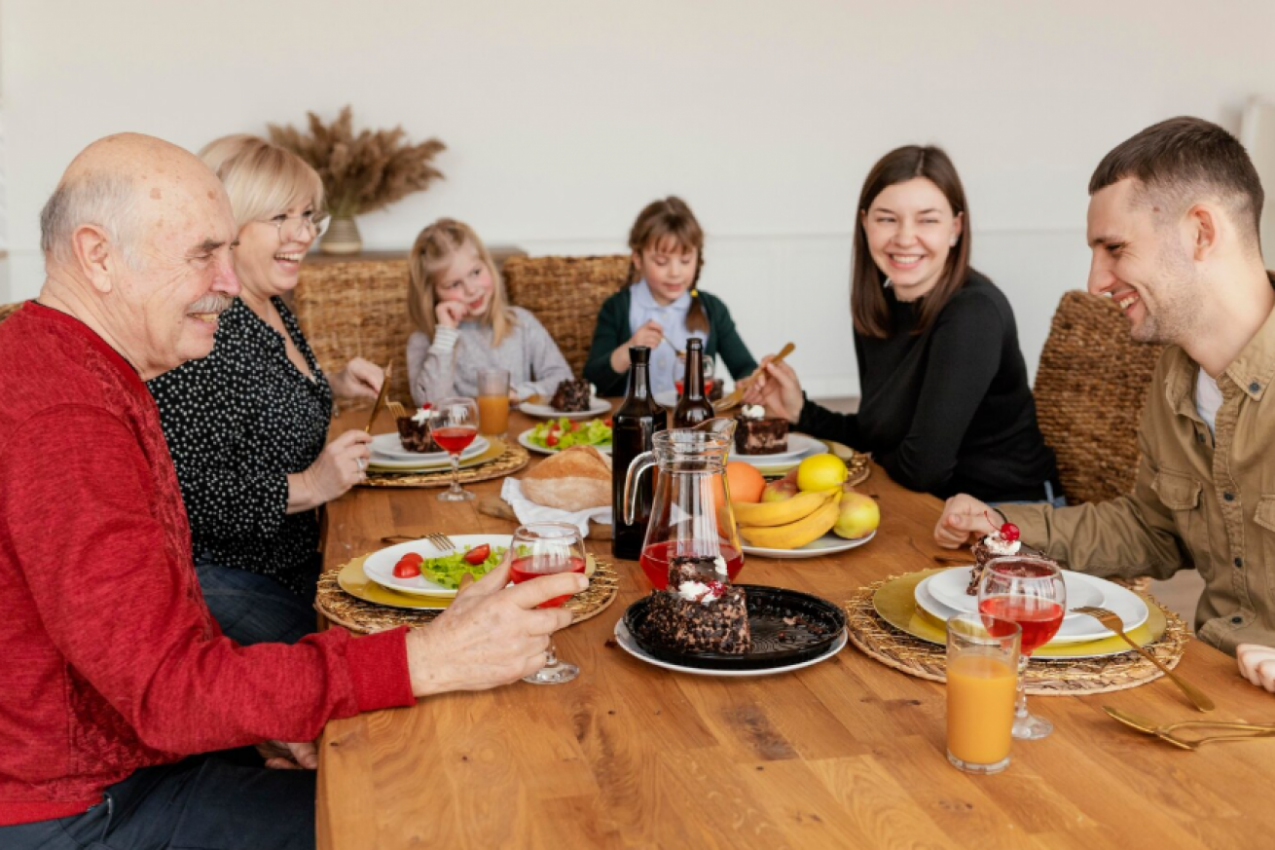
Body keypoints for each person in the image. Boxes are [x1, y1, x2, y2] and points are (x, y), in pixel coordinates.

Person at [0, 133, 584, 849]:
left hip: (136, 761)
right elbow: (167, 691)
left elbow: (144, 643)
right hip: (80, 808)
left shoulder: (72, 367)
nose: (225, 280)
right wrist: (425, 659)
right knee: (430, 818)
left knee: (403, 777)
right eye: (202, 255)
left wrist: (269, 714)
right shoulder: (65, 415)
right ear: (98, 257)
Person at [933, 116, 1275, 660]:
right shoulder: (1174, 375)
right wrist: (1007, 524)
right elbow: (1152, 528)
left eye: (1115, 248)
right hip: (1212, 679)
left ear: (1201, 232)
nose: (1096, 281)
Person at [147, 135, 381, 645]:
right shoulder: (209, 328)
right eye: (279, 217)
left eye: (307, 215)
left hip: (297, 556)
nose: (303, 233)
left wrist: (331, 387)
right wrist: (312, 486)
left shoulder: (269, 306)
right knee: (374, 648)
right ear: (228, 227)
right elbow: (179, 492)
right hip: (227, 578)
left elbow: (257, 411)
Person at [744, 146, 1060, 504]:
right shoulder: (879, 307)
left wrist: (870, 461)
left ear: (955, 228)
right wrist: (798, 410)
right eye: (887, 219)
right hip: (927, 504)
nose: (905, 237)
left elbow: (922, 467)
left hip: (1006, 512)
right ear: (865, 224)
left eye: (927, 219)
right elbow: (879, 433)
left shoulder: (974, 313)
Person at [584, 196, 758, 398]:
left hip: (693, 425)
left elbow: (745, 368)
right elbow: (593, 380)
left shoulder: (712, 309)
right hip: (634, 425)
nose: (675, 272)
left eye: (685, 261)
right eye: (661, 262)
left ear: (697, 258)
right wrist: (629, 350)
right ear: (638, 259)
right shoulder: (617, 308)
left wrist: (751, 382)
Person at [406, 218, 573, 405]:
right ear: (432, 294)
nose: (471, 289)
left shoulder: (521, 322)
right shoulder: (425, 341)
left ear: (488, 265)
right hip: (466, 434)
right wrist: (445, 336)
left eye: (476, 273)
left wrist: (519, 393)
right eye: (454, 284)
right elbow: (430, 404)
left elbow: (563, 379)